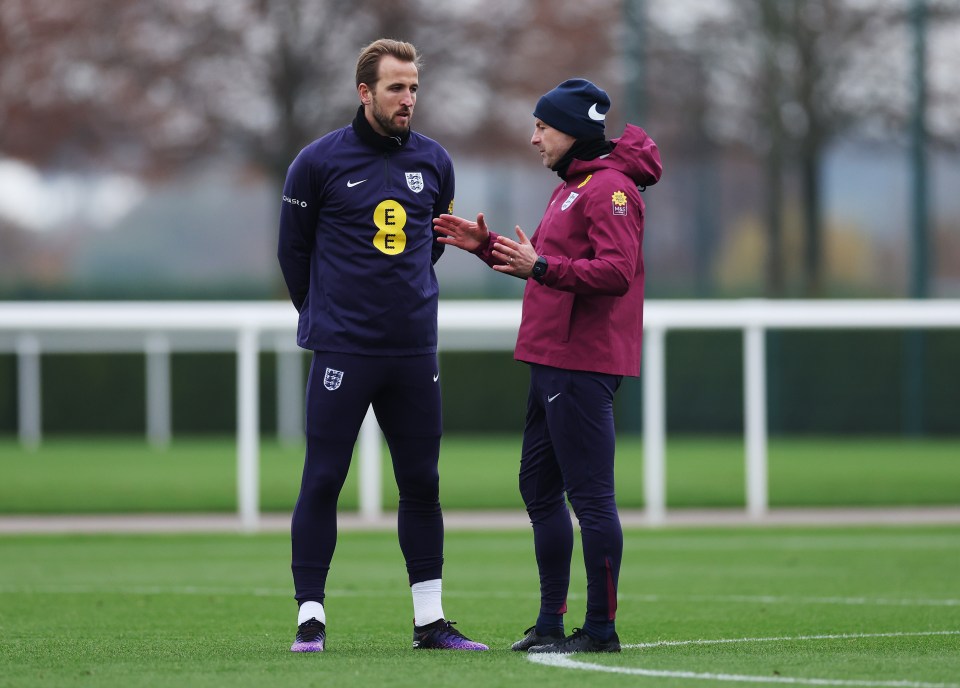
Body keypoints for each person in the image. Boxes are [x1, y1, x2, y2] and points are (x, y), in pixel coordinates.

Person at [433, 78, 662, 654]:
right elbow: (539, 263)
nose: (533, 138)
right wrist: (484, 247)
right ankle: (550, 623)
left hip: (581, 363)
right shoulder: (572, 187)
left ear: (573, 130)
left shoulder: (609, 189)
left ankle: (601, 629)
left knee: (591, 499)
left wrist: (540, 268)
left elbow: (614, 271)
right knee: (537, 488)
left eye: (542, 126)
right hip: (549, 358)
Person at [277, 38, 487, 654]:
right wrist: (327, 316)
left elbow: (434, 243)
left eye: (415, 87)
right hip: (344, 351)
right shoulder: (317, 163)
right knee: (323, 479)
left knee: (422, 482)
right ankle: (310, 618)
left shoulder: (436, 161)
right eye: (396, 87)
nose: (408, 98)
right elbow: (293, 253)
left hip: (413, 351)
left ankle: (431, 622)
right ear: (365, 91)